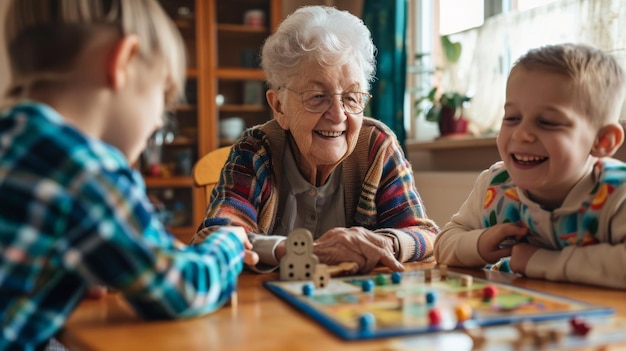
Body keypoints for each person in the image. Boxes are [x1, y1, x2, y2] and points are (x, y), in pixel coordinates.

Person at [0, 1, 258, 350]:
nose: (157, 122)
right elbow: (183, 288)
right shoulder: (87, 170)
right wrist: (228, 242)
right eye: (163, 97)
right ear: (122, 61)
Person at [191, 5, 439, 274]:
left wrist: (383, 242)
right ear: (279, 108)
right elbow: (217, 237)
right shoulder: (255, 151)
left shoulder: (377, 148)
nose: (337, 115)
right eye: (317, 96)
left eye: (352, 97)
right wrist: (304, 252)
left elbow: (426, 235)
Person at [434, 43, 626, 289]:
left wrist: (540, 262)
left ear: (602, 141)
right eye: (512, 118)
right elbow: (443, 244)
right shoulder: (495, 185)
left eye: (548, 122)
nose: (522, 134)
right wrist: (480, 243)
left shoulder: (616, 193)